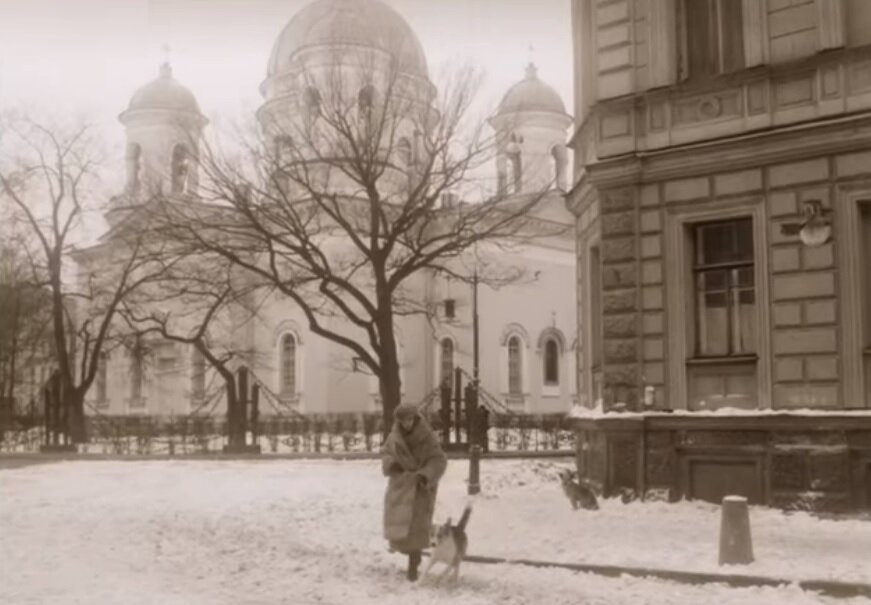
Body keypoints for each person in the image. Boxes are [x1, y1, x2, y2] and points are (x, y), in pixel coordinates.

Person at [380, 402, 447, 581]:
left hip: (419, 488)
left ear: (416, 418)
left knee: (416, 528)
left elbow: (438, 459)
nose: (407, 423)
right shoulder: (394, 437)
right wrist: (392, 465)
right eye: (403, 420)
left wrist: (426, 475)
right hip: (401, 485)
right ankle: (410, 555)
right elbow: (386, 453)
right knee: (401, 529)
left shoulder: (427, 437)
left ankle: (413, 564)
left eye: (410, 419)